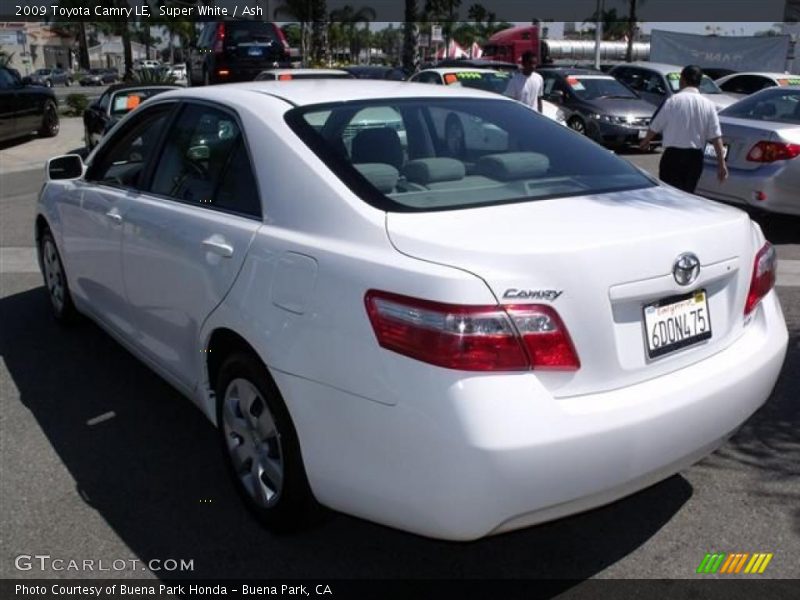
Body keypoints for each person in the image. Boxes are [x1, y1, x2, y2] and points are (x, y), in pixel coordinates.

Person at [639, 65, 728, 193]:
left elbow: (655, 126)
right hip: (694, 158)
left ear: (683, 80)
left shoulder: (672, 101)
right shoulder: (708, 105)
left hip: (672, 156)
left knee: (670, 194)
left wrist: (645, 141)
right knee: (688, 195)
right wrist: (721, 164)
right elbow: (716, 136)